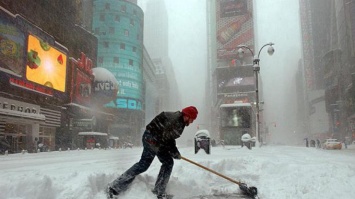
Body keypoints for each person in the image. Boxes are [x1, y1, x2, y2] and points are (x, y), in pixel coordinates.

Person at [106, 106, 198, 199]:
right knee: (143, 165)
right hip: (151, 139)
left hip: (159, 141)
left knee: (168, 162)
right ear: (187, 116)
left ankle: (159, 191)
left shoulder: (179, 121)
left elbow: (170, 138)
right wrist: (174, 152)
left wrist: (175, 152)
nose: (192, 122)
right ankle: (114, 187)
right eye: (192, 119)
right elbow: (167, 138)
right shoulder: (175, 120)